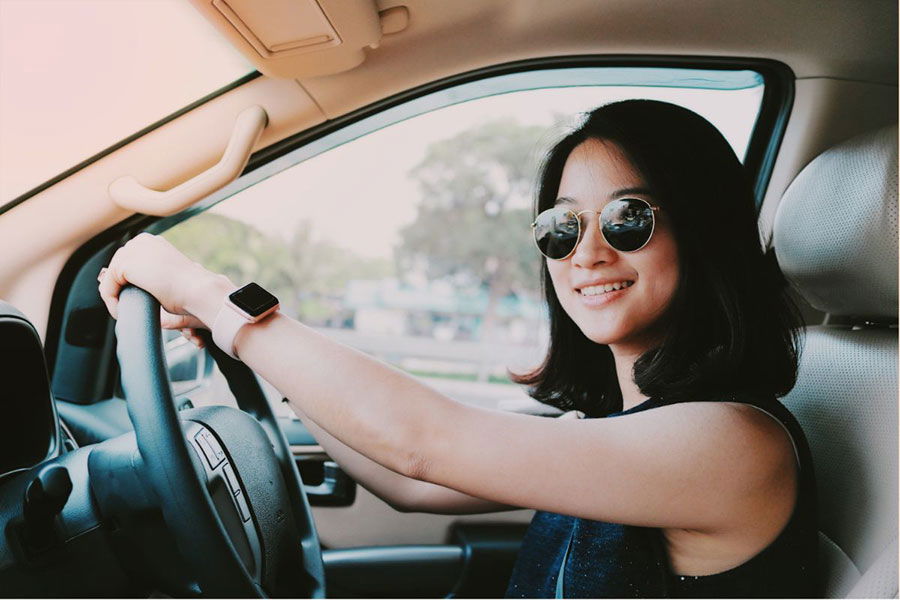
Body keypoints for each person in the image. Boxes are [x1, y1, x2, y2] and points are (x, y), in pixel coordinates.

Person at [97, 100, 817, 598]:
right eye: (562, 229)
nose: (586, 253)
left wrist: (206, 291)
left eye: (628, 219)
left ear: (706, 232)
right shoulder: (615, 431)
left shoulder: (735, 447)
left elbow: (425, 444)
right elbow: (411, 484)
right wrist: (258, 358)